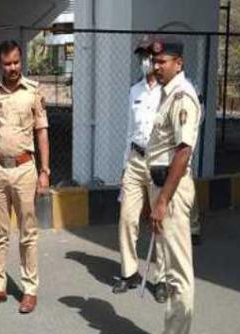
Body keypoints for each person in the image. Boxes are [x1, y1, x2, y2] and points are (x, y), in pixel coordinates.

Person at [0, 40, 50, 314]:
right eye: (7, 63)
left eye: (16, 62)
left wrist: (45, 171)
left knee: (28, 233)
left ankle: (29, 290)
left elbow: (42, 132)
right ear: (0, 65)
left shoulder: (33, 92)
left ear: (21, 60)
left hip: (24, 169)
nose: (13, 67)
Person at [139, 37, 201, 334]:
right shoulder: (166, 94)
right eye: (155, 61)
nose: (156, 66)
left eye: (162, 61)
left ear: (179, 63)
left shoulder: (182, 97)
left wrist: (162, 200)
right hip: (161, 186)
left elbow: (183, 151)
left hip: (172, 191)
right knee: (170, 266)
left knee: (178, 272)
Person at [112, 35, 163, 294]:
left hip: (159, 161)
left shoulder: (170, 90)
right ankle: (129, 272)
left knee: (161, 221)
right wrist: (125, 165)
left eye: (148, 56)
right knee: (127, 218)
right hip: (135, 158)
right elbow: (129, 131)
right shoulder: (135, 90)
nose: (145, 61)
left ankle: (161, 278)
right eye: (141, 56)